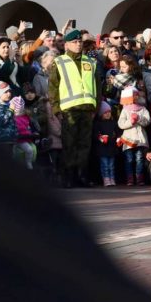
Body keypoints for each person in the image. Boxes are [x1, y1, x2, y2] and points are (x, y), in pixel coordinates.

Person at [49, 29, 100, 188]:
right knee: (70, 145)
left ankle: (82, 176)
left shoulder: (90, 62)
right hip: (69, 110)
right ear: (67, 44)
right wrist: (57, 110)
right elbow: (53, 88)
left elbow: (97, 86)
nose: (78, 45)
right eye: (75, 42)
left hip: (87, 109)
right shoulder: (59, 62)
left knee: (85, 144)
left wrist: (95, 108)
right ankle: (69, 177)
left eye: (80, 42)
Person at [117, 86, 151, 186]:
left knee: (139, 159)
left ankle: (139, 178)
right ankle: (130, 179)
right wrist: (131, 122)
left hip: (140, 140)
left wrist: (139, 118)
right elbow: (121, 124)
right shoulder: (125, 110)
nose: (135, 97)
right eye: (133, 95)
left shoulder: (142, 109)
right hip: (128, 140)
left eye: (136, 95)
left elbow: (148, 121)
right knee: (129, 159)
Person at [94, 101, 119, 187]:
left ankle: (112, 178)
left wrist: (118, 138)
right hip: (102, 149)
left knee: (111, 165)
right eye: (105, 113)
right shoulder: (98, 123)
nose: (108, 114)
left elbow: (117, 132)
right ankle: (106, 178)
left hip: (112, 148)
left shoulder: (113, 123)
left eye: (109, 112)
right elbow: (95, 134)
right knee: (105, 165)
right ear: (101, 114)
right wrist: (100, 137)